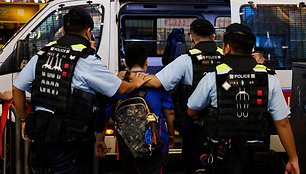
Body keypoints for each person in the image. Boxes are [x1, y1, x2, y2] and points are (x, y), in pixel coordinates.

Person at [12, 7, 149, 174]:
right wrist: (135, 82)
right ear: (88, 31)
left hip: (41, 136)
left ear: (63, 30)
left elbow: (17, 88)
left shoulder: (41, 55)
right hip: (69, 141)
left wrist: (24, 119)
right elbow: (119, 89)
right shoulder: (86, 60)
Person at [187, 23, 299, 174]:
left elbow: (191, 111)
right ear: (251, 48)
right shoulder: (269, 78)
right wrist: (293, 159)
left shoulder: (213, 77)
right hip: (257, 158)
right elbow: (283, 123)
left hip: (222, 157)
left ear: (227, 47)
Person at [129, 18, 222, 173]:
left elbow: (156, 83)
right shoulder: (226, 57)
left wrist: (128, 75)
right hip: (223, 126)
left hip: (194, 127)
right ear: (213, 36)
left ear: (191, 37)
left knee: (192, 164)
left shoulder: (186, 60)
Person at [114, 43, 175, 173]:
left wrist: (100, 139)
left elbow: (106, 114)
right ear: (146, 62)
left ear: (126, 63)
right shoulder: (158, 85)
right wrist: (170, 133)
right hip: (157, 144)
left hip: (127, 147)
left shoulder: (118, 85)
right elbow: (169, 112)